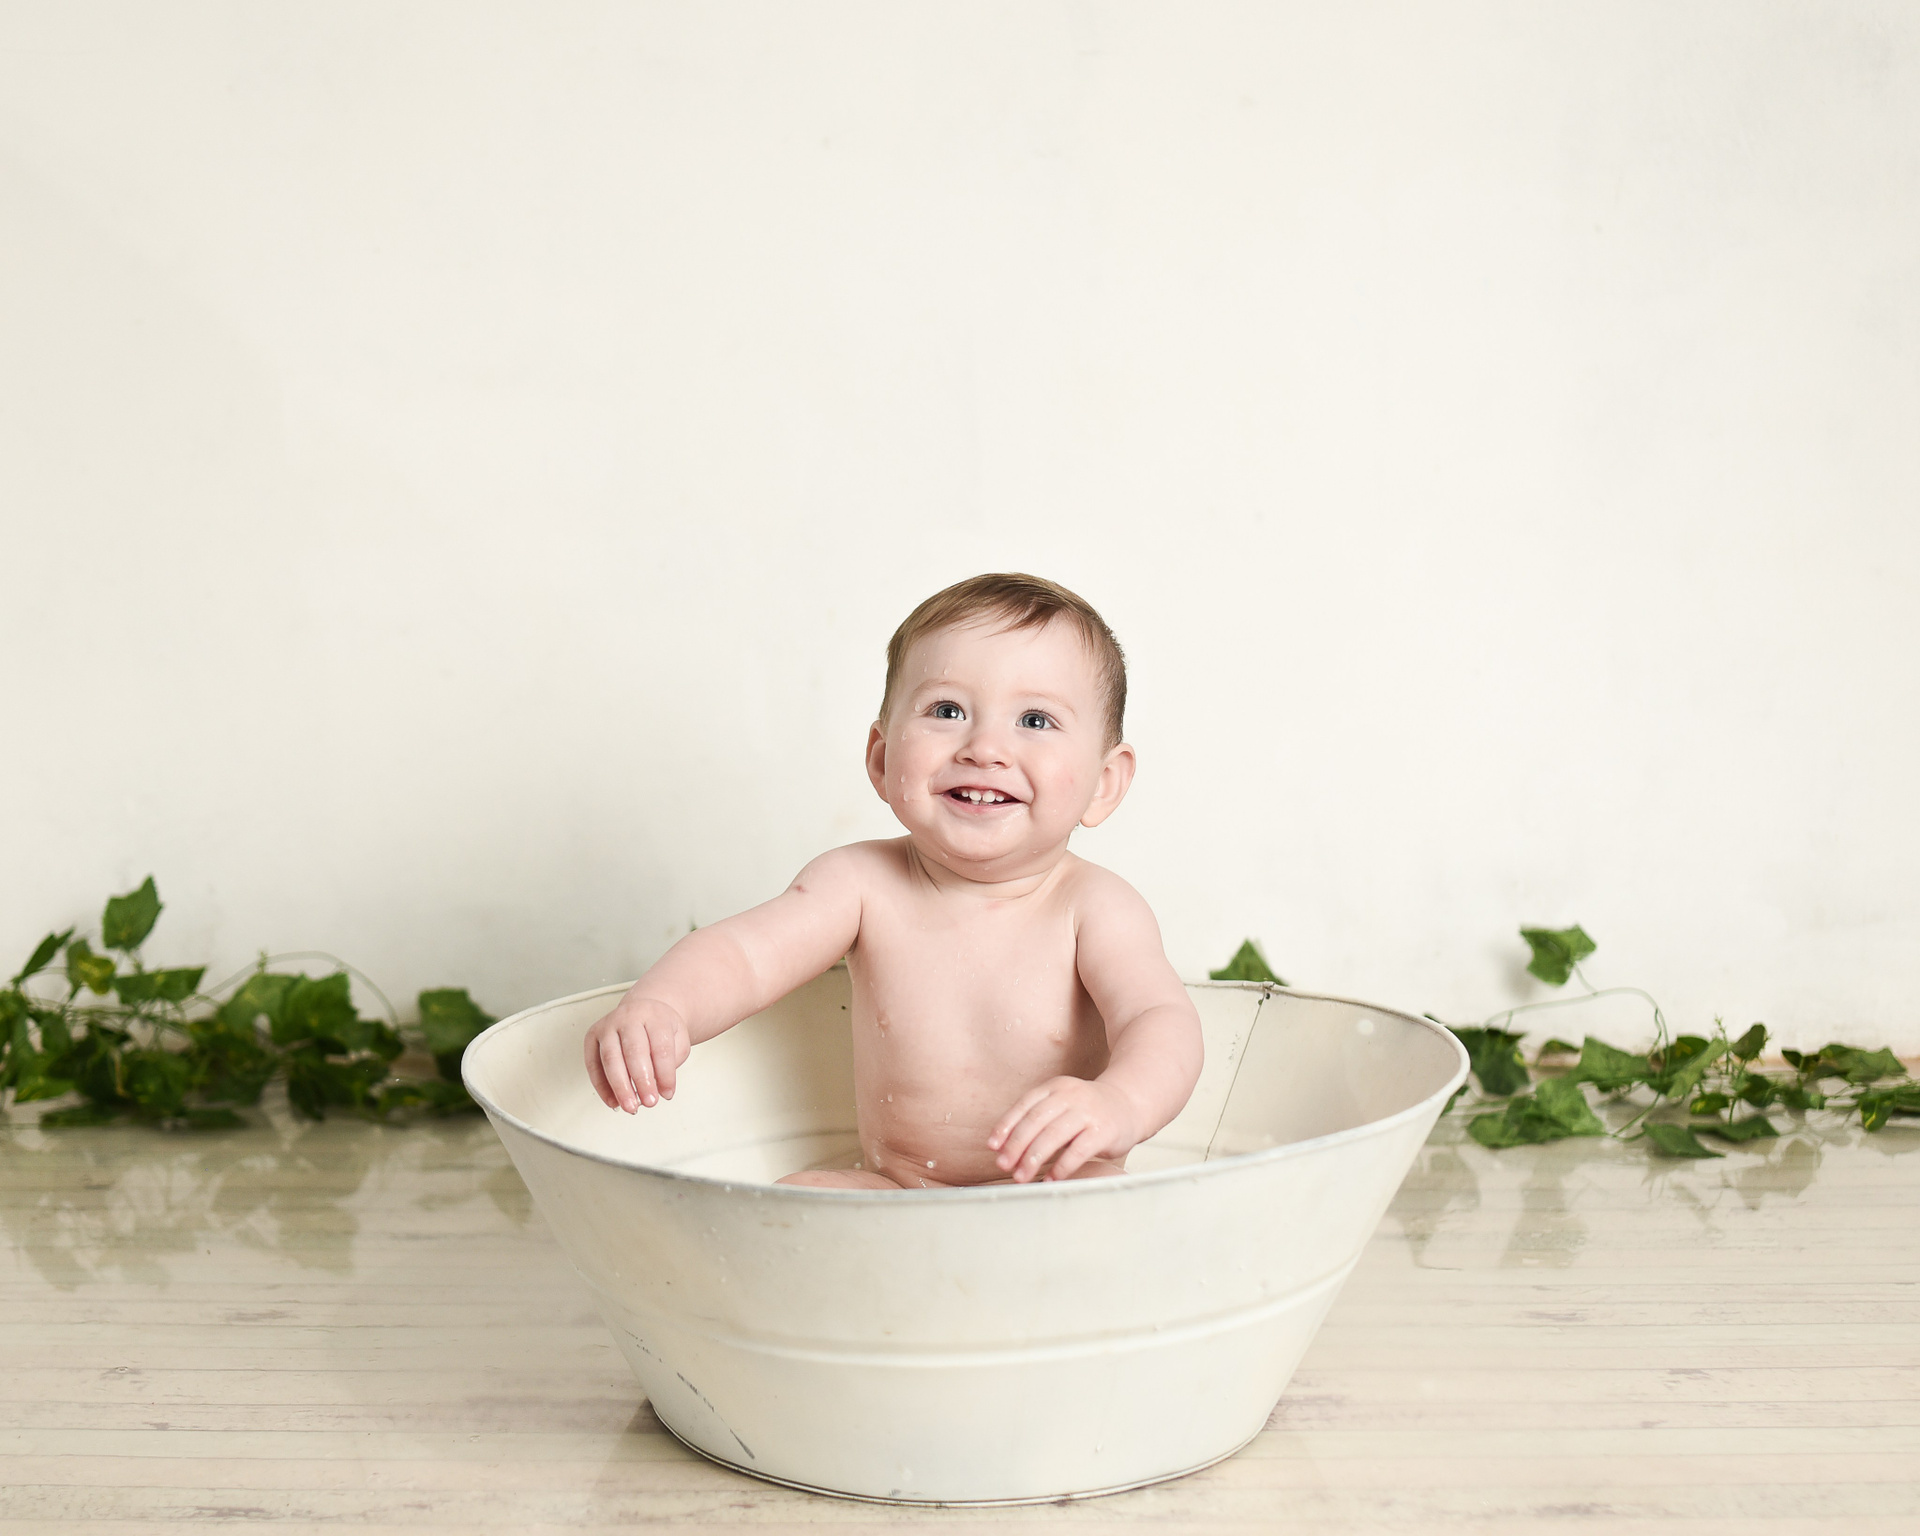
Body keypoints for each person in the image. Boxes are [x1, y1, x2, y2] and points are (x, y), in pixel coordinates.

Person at [584, 573, 1202, 1187]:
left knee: (1102, 1194)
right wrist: (663, 1004)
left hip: (1052, 1189)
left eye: (1035, 720)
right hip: (901, 1191)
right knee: (798, 1198)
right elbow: (745, 957)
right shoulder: (858, 885)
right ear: (882, 760)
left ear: (1104, 783)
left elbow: (1158, 1021)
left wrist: (1120, 1103)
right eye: (947, 711)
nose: (984, 748)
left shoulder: (1095, 907)